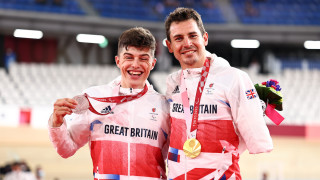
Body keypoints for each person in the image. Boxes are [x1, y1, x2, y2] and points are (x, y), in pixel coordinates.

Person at [164, 7, 273, 179]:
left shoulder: (234, 78)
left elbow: (254, 136)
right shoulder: (172, 83)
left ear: (205, 38)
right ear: (170, 46)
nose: (187, 43)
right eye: (179, 38)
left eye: (193, 36)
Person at [48, 27, 170, 179]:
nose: (135, 64)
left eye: (143, 58)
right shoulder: (94, 99)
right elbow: (66, 149)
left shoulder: (165, 107)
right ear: (118, 61)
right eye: (129, 57)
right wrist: (57, 122)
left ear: (153, 63)